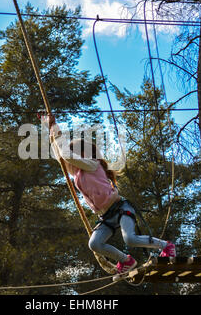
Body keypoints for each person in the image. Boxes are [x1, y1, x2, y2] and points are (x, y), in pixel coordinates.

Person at [41, 115, 176, 274]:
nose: (70, 159)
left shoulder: (92, 164)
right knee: (95, 244)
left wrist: (54, 129)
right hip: (105, 216)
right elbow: (60, 156)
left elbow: (66, 155)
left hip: (120, 208)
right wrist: (50, 127)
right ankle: (126, 261)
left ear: (83, 153)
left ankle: (166, 246)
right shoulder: (77, 172)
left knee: (130, 239)